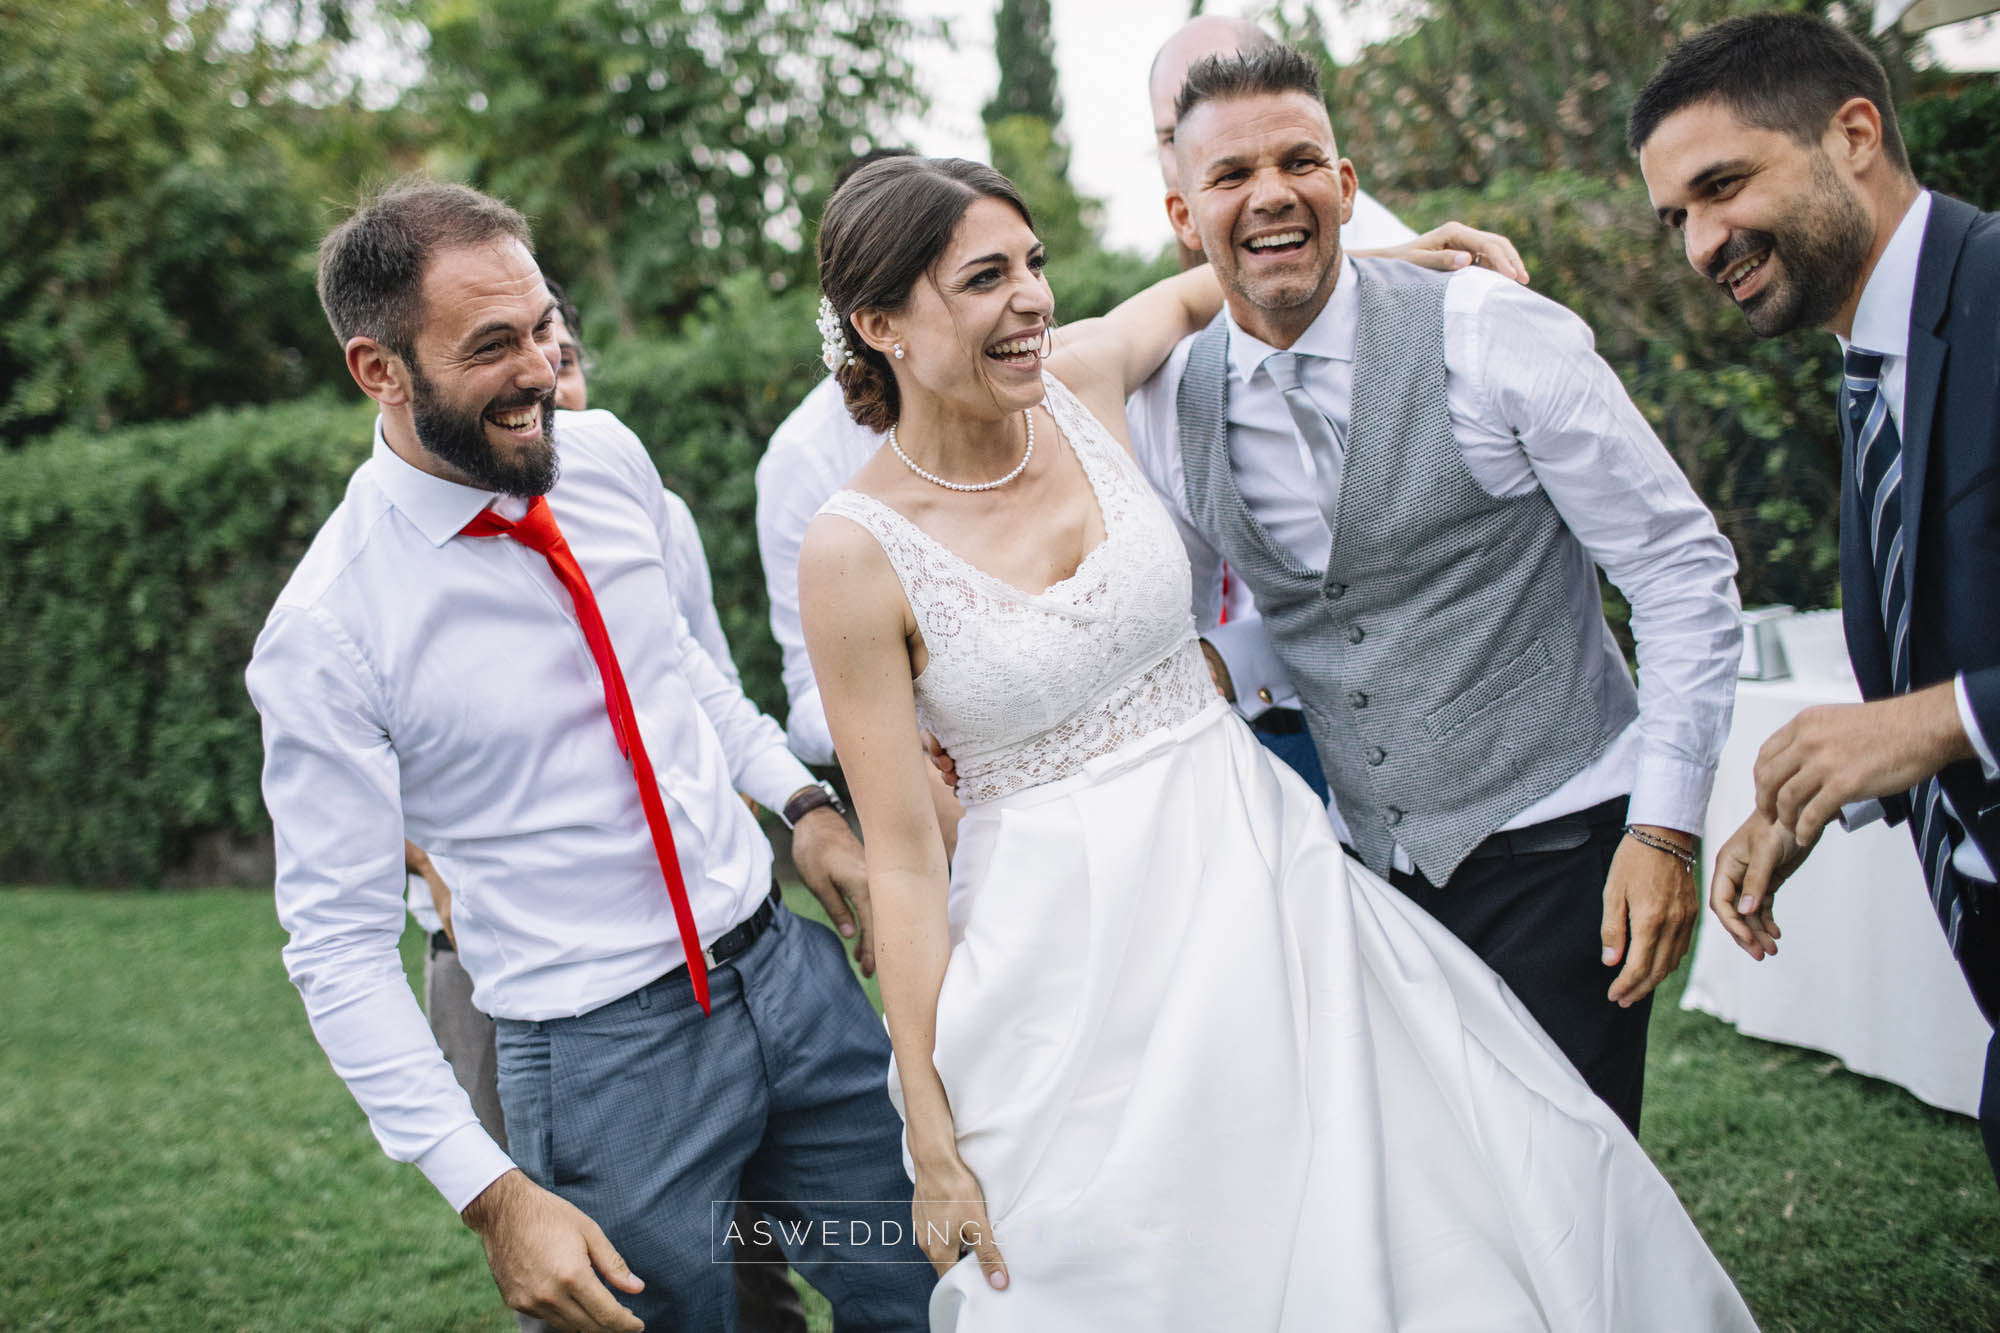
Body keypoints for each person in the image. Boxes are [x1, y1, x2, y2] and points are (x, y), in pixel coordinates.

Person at [798, 151, 1754, 1330]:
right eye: (984, 279)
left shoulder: (1085, 381)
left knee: (1405, 1196)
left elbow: (1202, 289)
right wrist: (931, 1137)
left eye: (1033, 264)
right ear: (880, 322)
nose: (1032, 300)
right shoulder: (851, 554)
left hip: (1261, 879)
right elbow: (900, 858)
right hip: (1062, 960)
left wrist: (1386, 264)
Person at [247, 176, 934, 1333]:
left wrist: (798, 802)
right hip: (609, 1068)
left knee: (932, 1284)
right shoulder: (328, 632)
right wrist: (491, 1191)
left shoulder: (604, 457)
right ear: (378, 369)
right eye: (490, 346)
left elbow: (675, 664)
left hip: (791, 987)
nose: (537, 372)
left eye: (542, 330)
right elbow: (335, 949)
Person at [1121, 47, 1743, 1135]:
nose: (1269, 192)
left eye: (1298, 160)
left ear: (1346, 189)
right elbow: (1297, 610)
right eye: (1229, 176)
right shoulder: (1167, 405)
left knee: (1571, 1188)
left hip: (1563, 840)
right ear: (1182, 213)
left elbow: (1676, 568)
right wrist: (1208, 669)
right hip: (1370, 881)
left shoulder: (1488, 331)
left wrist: (1664, 828)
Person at [1632, 10, 2000, 1182]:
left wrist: (1940, 722)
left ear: (1852, 134)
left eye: (1721, 185)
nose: (1699, 245)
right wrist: (1803, 806)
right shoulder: (1872, 360)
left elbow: (1936, 704)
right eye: (1674, 218)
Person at [402, 279, 807, 1333]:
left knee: (749, 1250)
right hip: (509, 982)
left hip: (710, 957)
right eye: (517, 355)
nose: (550, 382)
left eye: (563, 355)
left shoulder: (638, 498)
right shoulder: (398, 568)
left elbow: (696, 678)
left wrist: (773, 815)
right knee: (597, 1269)